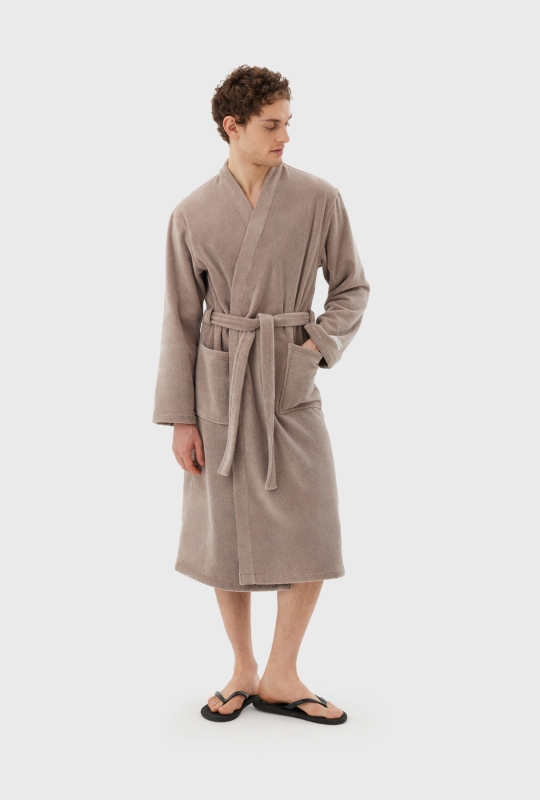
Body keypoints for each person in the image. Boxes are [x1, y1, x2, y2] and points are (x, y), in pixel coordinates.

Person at [152, 65, 370, 725]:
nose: (285, 136)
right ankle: (244, 669)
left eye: (288, 123)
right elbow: (180, 321)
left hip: (288, 381)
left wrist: (314, 349)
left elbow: (352, 288)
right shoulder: (190, 214)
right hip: (220, 385)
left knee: (313, 522)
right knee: (225, 531)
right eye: (272, 125)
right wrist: (181, 419)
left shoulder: (319, 199)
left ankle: (283, 673)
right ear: (233, 126)